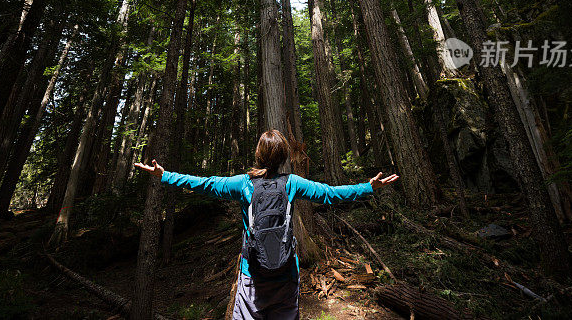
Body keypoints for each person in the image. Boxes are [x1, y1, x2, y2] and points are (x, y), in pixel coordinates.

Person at [134, 129, 398, 320]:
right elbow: (330, 193)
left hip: (253, 277)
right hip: (286, 275)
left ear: (259, 155)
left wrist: (164, 176)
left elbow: (205, 184)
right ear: (284, 157)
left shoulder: (243, 183)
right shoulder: (292, 182)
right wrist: (368, 187)